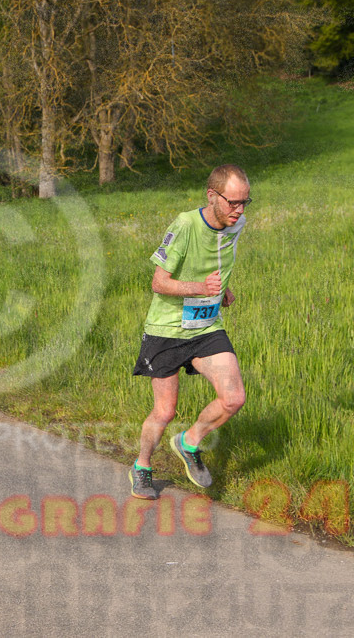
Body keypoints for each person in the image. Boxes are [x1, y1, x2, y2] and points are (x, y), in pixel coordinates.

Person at [130, 164, 251, 499]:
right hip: (167, 329)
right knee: (165, 411)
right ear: (211, 195)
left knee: (234, 398)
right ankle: (142, 467)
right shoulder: (184, 225)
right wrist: (201, 287)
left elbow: (219, 261)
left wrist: (223, 290)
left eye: (245, 202)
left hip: (207, 326)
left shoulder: (236, 224)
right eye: (232, 202)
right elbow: (159, 282)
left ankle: (189, 442)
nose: (239, 210)